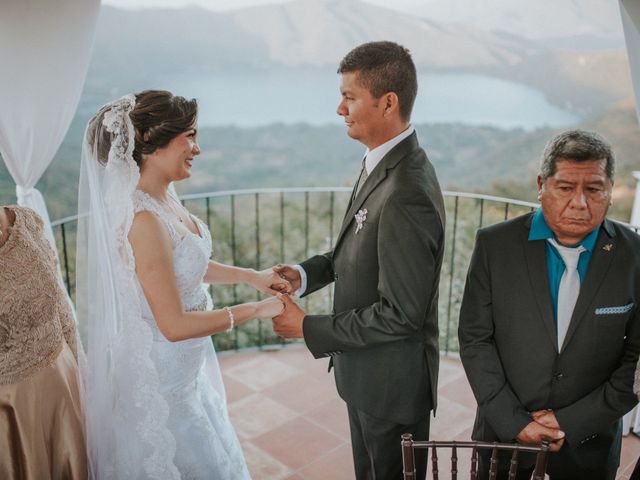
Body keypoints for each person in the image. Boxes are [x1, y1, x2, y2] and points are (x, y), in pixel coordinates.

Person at [76, 90, 288, 479]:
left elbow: (185, 266)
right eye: (189, 136)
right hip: (164, 383)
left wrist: (251, 278)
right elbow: (173, 325)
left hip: (186, 376)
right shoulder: (143, 221)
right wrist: (255, 310)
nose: (197, 147)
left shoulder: (164, 198)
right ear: (151, 144)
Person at [272, 41, 446, 479]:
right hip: (367, 376)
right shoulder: (381, 164)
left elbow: (402, 315)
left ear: (388, 102)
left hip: (391, 388)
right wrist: (305, 274)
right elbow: (357, 248)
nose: (339, 109)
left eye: (349, 97)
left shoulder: (408, 190)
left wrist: (307, 327)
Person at [459, 130, 640, 480]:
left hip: (589, 444)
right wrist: (515, 422)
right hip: (504, 435)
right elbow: (475, 339)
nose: (580, 203)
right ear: (542, 184)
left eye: (594, 189)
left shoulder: (635, 256)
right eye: (565, 187)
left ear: (610, 190)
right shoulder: (494, 246)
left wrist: (567, 422)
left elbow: (637, 363)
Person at [0, 205, 87, 479]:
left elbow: (60, 300)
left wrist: (80, 364)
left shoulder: (27, 220)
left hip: (62, 379)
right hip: (10, 409)